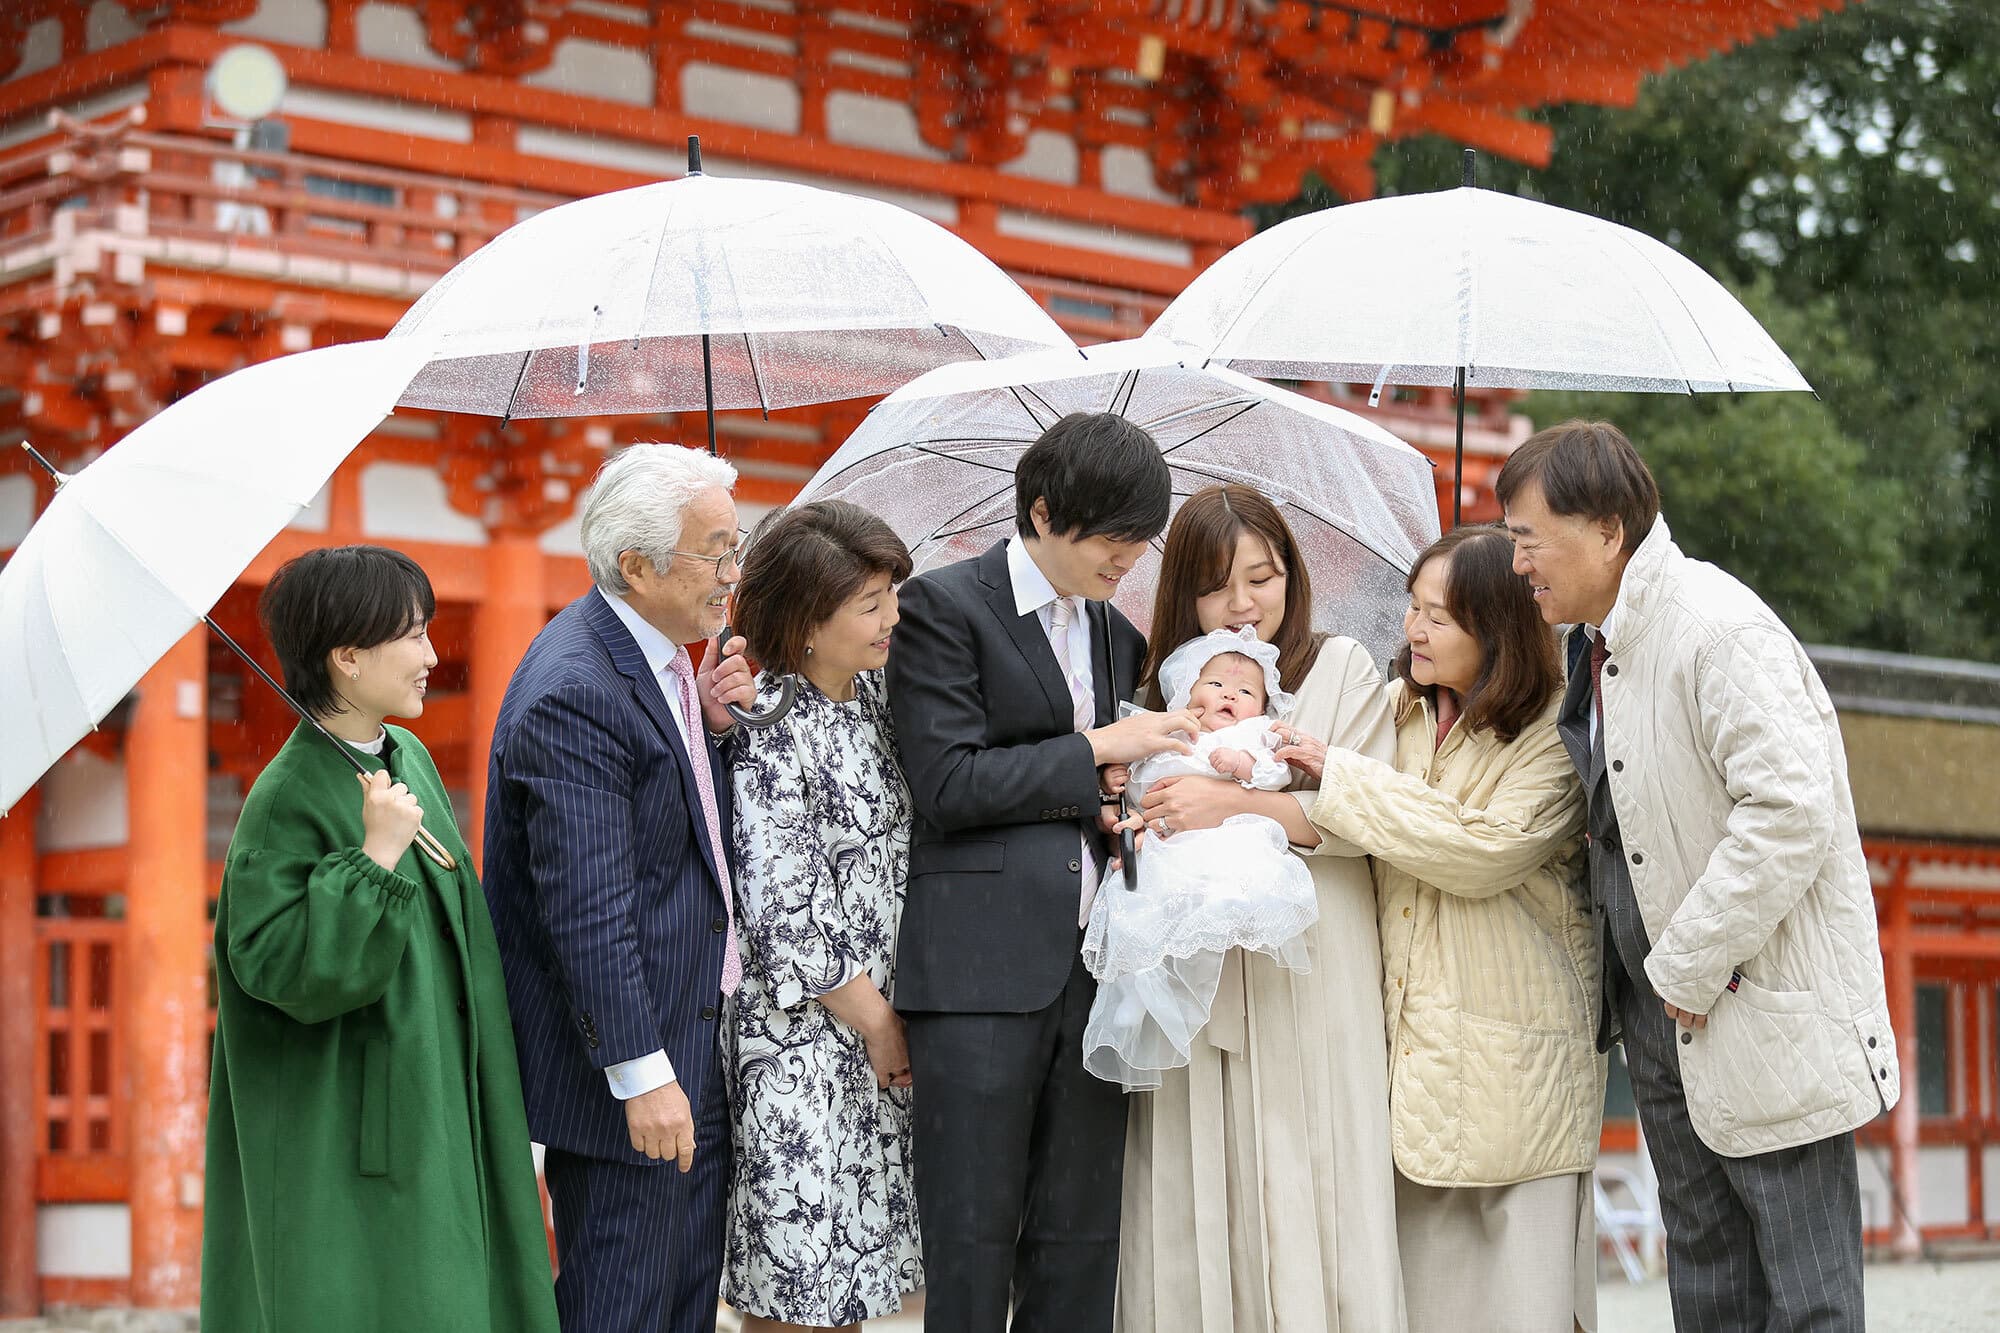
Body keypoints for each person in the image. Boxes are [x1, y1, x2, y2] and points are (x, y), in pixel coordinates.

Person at [1498, 420, 1900, 1333]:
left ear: (1606, 529)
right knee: (1709, 1284)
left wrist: (1686, 961)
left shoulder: (1714, 628)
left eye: (1529, 537)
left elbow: (1791, 811)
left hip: (1755, 1005)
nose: (1519, 561)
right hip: (1661, 1019)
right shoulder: (1595, 643)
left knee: (1808, 1295)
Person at [884, 412, 1196, 1333]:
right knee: (971, 1242)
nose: (1129, 557)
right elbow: (946, 783)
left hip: (1099, 968)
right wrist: (1097, 743)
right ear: (1045, 511)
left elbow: (1078, 787)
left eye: (1141, 539)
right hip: (979, 974)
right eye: (1112, 537)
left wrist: (1109, 798)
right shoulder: (943, 607)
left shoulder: (1114, 631)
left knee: (1079, 1242)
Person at [203, 546, 558, 1333]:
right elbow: (279, 967)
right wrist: (372, 860)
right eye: (414, 635)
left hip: (435, 1089)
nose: (434, 655)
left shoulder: (408, 758)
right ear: (348, 657)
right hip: (351, 1123)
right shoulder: (286, 796)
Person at [482, 443, 759, 1333]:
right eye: (716, 551)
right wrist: (643, 1076)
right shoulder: (578, 686)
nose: (733, 573)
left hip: (690, 1039)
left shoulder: (662, 657)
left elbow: (669, 835)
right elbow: (588, 909)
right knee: (623, 1309)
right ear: (635, 564)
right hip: (632, 1074)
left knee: (681, 1308)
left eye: (736, 544)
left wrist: (712, 734)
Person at [1300, 525, 1600, 1333]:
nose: (1412, 629)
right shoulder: (1390, 713)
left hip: (1520, 1064)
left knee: (1523, 1306)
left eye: (1440, 615)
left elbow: (1480, 847)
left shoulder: (1554, 734)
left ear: (1498, 628)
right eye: (1412, 607)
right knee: (1421, 1307)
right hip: (1410, 1060)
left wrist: (1338, 772)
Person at [1126, 482, 1406, 1333]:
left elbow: (1366, 816)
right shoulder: (1165, 691)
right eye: (1217, 586)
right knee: (1194, 1175)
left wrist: (1231, 806)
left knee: (1312, 1158)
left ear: (1293, 575)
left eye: (1264, 576)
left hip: (1311, 962)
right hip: (1195, 968)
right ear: (1184, 595)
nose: (1243, 606)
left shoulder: (1343, 668)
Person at [721, 500, 923, 1331]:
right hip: (803, 1040)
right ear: (807, 622)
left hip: (876, 1039)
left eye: (891, 595)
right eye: (870, 603)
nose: (892, 618)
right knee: (797, 1291)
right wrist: (878, 1022)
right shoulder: (766, 718)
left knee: (855, 1291)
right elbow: (781, 910)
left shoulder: (877, 697)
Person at [1082, 628, 1319, 1091]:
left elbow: (1276, 774)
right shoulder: (1164, 730)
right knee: (1140, 907)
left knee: (1215, 892)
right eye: (1215, 684)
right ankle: (1134, 990)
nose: (1230, 693)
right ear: (1187, 691)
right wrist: (1116, 775)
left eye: (1247, 691)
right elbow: (1134, 779)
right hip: (1164, 842)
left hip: (1222, 840)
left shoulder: (1252, 734)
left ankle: (1205, 946)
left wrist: (1244, 766)